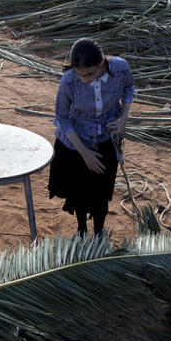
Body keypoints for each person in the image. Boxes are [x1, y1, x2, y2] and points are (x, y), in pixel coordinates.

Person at [48, 38, 135, 237]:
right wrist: (85, 153)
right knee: (79, 191)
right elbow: (62, 117)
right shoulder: (69, 80)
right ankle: (81, 229)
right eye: (81, 75)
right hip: (76, 141)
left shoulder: (120, 68)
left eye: (90, 74)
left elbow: (129, 88)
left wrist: (123, 119)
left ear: (102, 63)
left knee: (101, 191)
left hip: (106, 137)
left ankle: (98, 232)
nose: (85, 79)